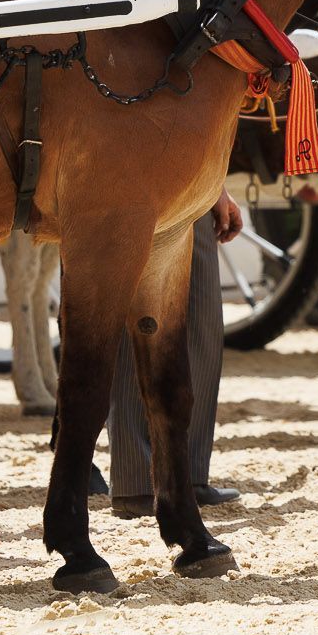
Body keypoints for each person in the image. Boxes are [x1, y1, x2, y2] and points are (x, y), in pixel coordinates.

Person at [106, 193, 245, 515]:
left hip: (198, 176)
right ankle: (138, 480)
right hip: (137, 172)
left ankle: (186, 475)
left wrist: (217, 188)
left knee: (201, 315)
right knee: (140, 310)